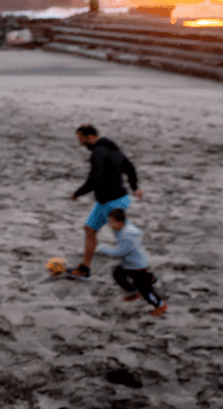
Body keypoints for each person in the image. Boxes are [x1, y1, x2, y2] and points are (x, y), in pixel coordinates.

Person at [68, 124, 142, 280]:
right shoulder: (113, 148)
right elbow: (129, 167)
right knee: (90, 229)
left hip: (111, 202)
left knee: (123, 238)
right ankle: (84, 269)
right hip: (117, 199)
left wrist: (77, 193)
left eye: (81, 139)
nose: (81, 143)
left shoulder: (98, 152)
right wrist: (135, 187)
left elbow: (95, 178)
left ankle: (143, 273)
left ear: (90, 136)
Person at [97, 208, 167, 316]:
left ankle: (160, 305)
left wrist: (103, 248)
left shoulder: (126, 236)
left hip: (136, 267)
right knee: (117, 273)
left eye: (111, 222)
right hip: (132, 264)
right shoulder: (125, 227)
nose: (110, 224)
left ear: (120, 222)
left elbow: (118, 252)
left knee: (146, 290)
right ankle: (141, 285)